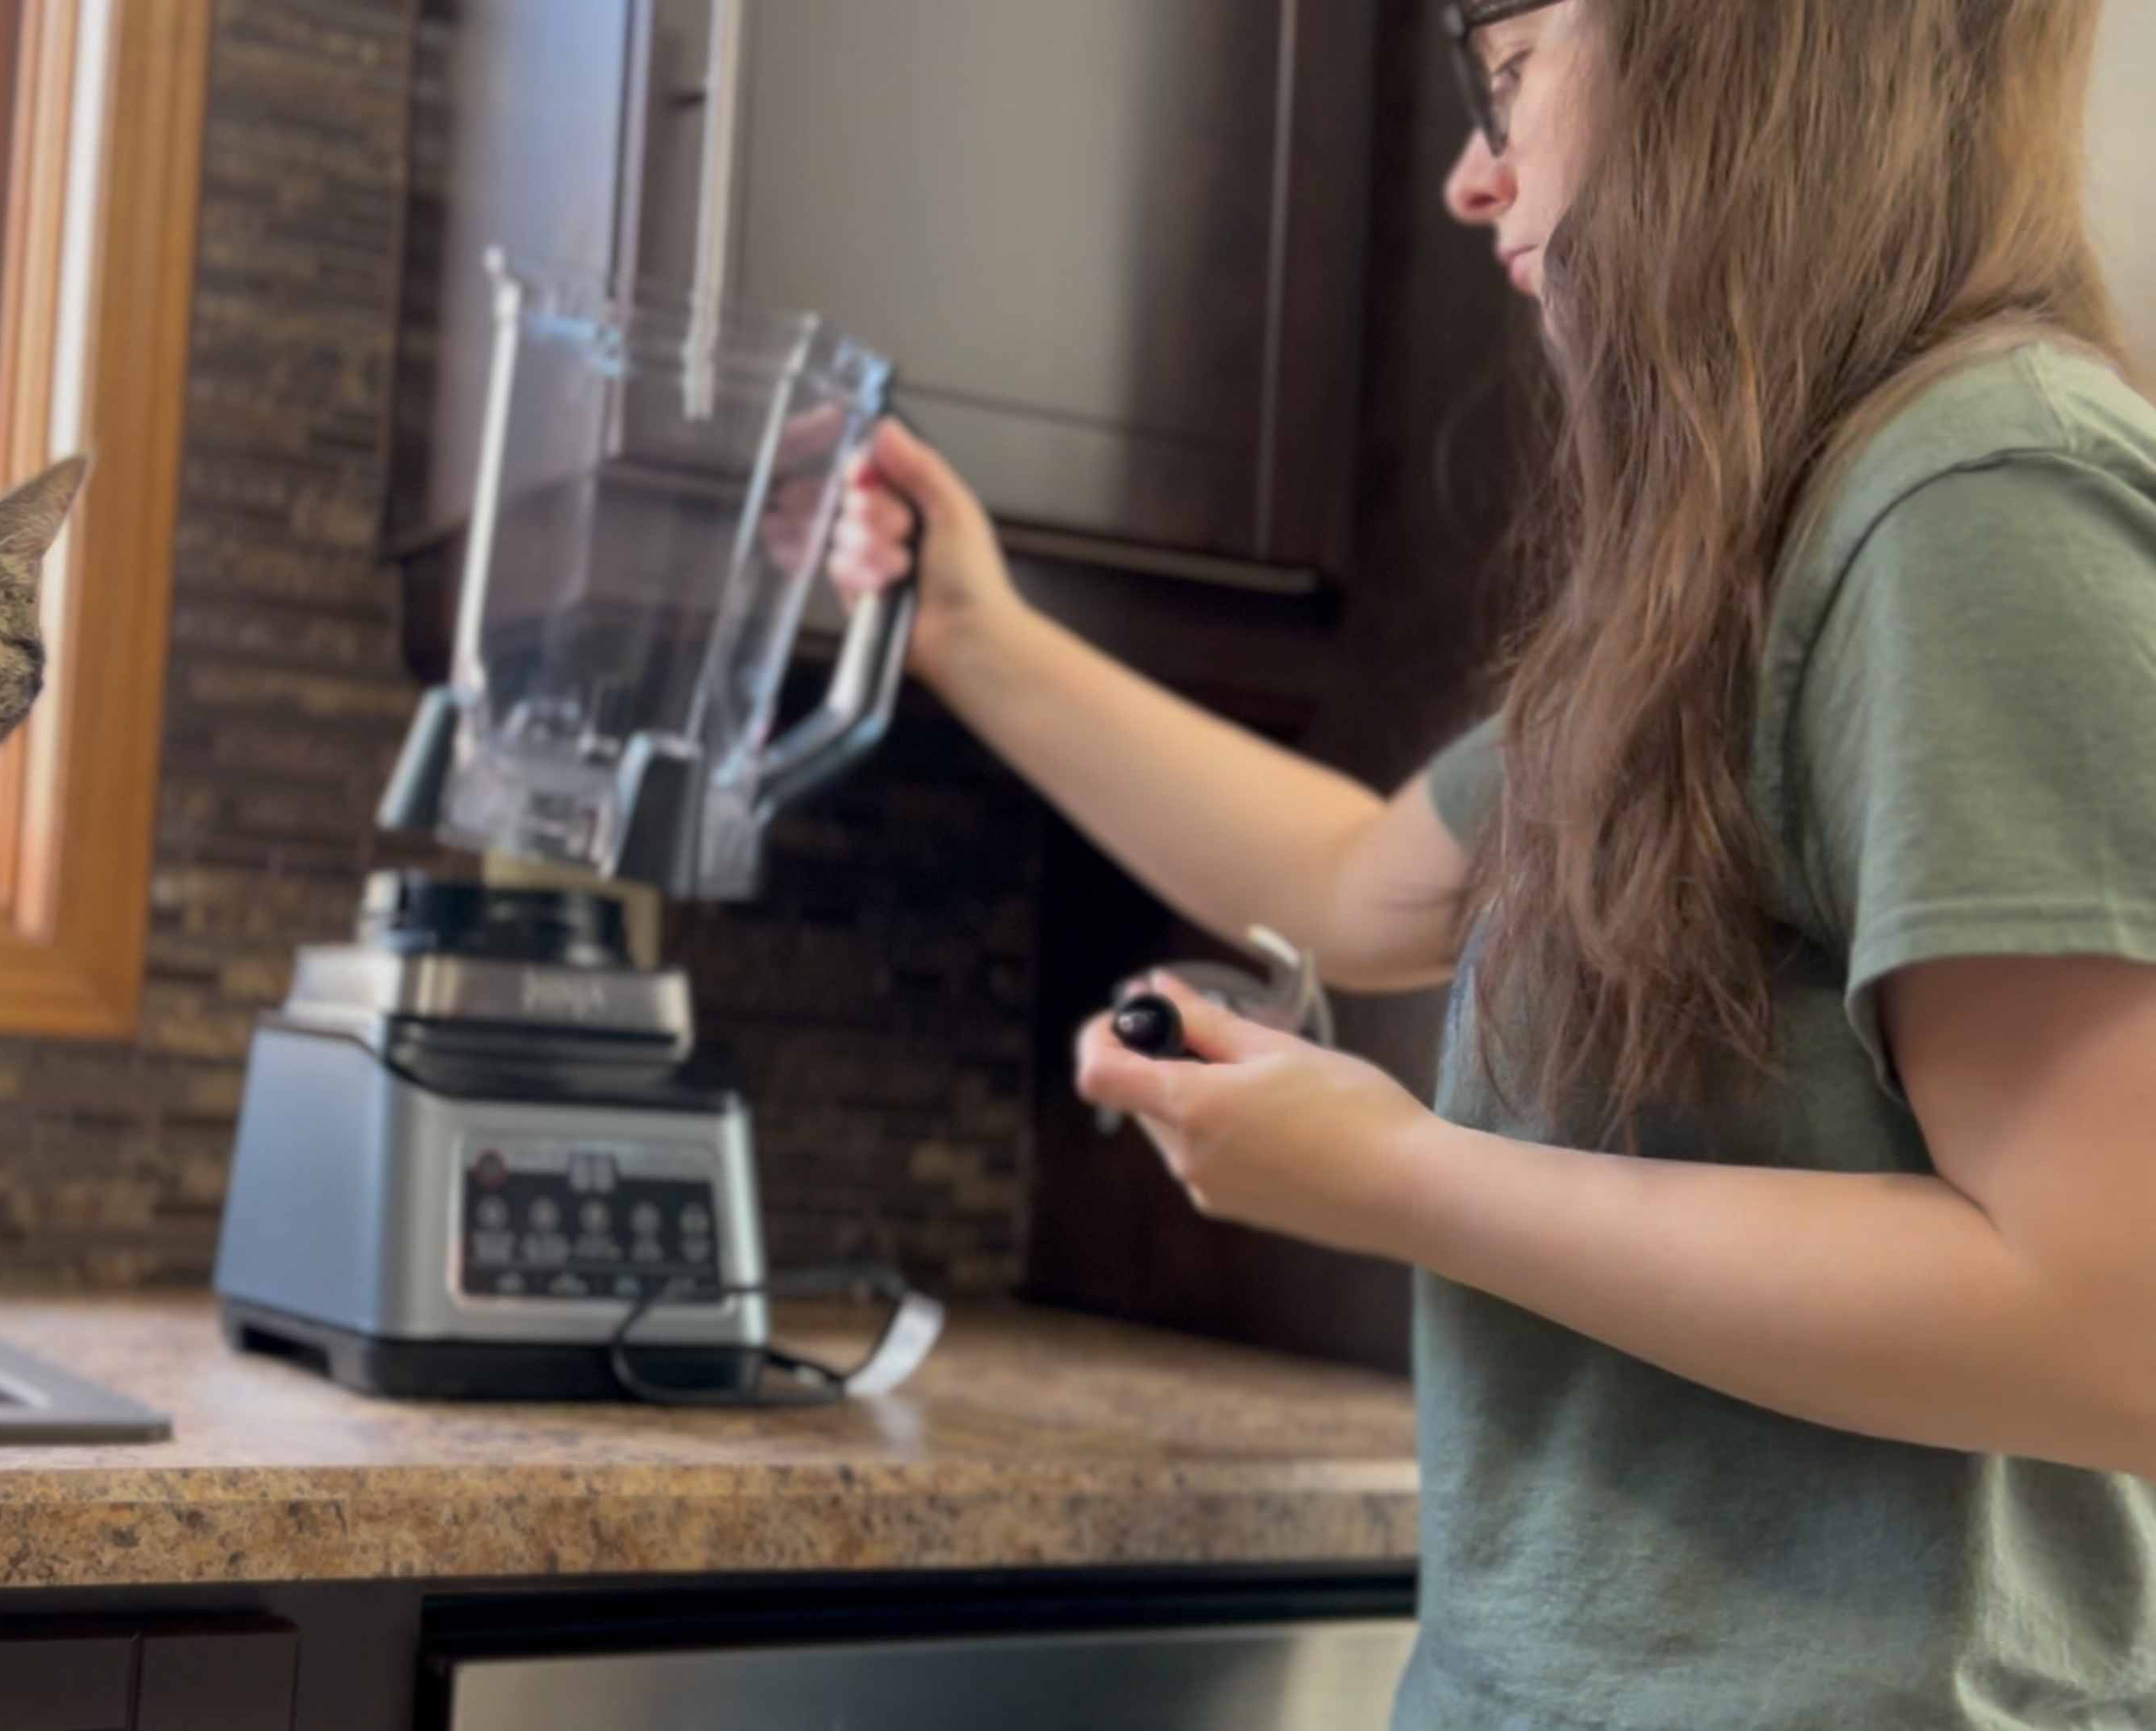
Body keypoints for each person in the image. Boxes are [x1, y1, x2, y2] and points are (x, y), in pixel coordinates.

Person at [830, 2, 2156, 1723]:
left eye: (1513, 72)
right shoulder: (1742, 558)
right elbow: (1353, 877)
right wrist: (972, 635)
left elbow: (2109, 1321)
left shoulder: (1978, 496)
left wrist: (1402, 1181)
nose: (1474, 176)